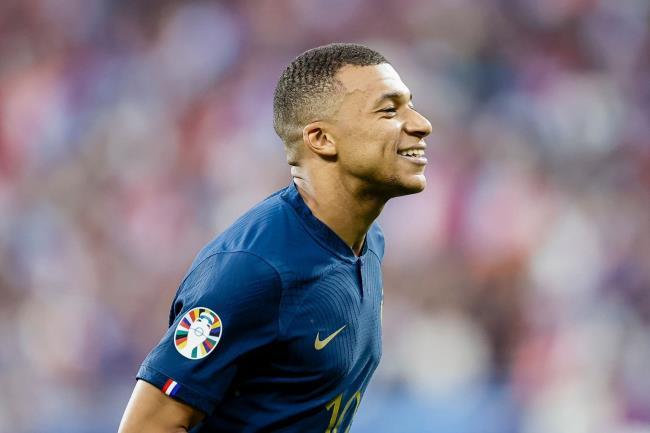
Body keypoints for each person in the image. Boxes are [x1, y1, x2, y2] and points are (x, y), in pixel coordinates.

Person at [118, 42, 432, 433]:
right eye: (389, 110)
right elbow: (146, 427)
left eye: (410, 105)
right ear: (321, 138)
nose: (421, 124)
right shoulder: (254, 270)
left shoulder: (368, 245)